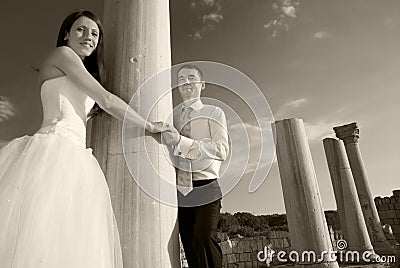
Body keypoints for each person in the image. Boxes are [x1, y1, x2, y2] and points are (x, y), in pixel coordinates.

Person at [0, 10, 164, 267]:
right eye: (81, 29)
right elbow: (107, 100)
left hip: (75, 156)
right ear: (66, 34)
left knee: (66, 240)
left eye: (95, 33)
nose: (89, 36)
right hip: (55, 152)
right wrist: (149, 125)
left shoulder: (76, 71)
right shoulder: (63, 55)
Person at [162, 64, 230, 268]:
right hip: (180, 190)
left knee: (203, 238)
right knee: (189, 246)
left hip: (207, 185)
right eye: (181, 80)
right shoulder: (171, 117)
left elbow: (221, 150)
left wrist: (182, 141)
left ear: (202, 84)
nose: (186, 83)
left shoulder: (214, 112)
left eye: (191, 78)